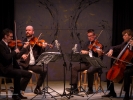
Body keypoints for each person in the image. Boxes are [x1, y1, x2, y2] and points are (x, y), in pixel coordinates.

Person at [66, 29, 104, 94]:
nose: (90, 37)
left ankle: (90, 89)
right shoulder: (86, 43)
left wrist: (99, 52)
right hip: (86, 63)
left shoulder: (99, 44)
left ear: (94, 36)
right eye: (88, 36)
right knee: (74, 68)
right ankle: (75, 88)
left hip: (95, 63)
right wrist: (83, 51)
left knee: (90, 71)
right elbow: (81, 51)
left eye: (91, 36)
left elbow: (101, 57)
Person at [18, 25, 52, 95]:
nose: (27, 31)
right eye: (26, 30)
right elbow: (18, 53)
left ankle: (37, 88)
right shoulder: (22, 42)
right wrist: (22, 55)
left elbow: (41, 54)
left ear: (33, 32)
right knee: (19, 72)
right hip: (24, 64)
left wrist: (43, 47)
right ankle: (19, 89)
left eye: (29, 30)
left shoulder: (36, 42)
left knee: (44, 70)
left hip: (33, 65)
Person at [0, 28, 32, 100]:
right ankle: (15, 94)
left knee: (28, 74)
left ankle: (18, 91)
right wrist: (14, 51)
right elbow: (6, 57)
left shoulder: (8, 45)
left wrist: (23, 48)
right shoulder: (1, 45)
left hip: (11, 68)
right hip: (4, 69)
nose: (12, 38)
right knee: (18, 73)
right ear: (5, 36)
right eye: (10, 37)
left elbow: (16, 57)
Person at [102, 29, 133, 100]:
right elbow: (113, 47)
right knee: (108, 72)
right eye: (123, 35)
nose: (123, 37)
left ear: (130, 36)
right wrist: (111, 50)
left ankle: (127, 94)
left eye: (125, 35)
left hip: (131, 66)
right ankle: (112, 92)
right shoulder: (124, 44)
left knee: (126, 73)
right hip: (124, 65)